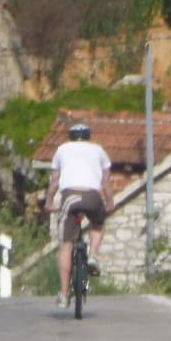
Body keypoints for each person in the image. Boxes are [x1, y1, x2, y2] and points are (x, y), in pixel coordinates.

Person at [43, 123, 113, 309]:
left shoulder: (62, 149)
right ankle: (93, 256)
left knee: (66, 245)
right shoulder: (99, 150)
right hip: (92, 196)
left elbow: (55, 181)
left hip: (71, 197)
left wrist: (49, 202)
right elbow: (105, 182)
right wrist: (110, 202)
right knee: (97, 225)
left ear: (70, 136)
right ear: (88, 136)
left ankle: (64, 294)